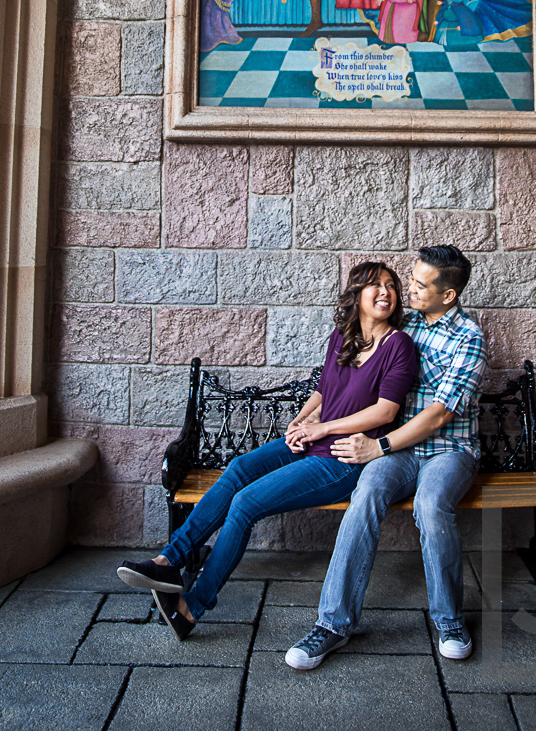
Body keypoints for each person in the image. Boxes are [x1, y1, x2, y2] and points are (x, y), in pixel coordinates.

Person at [116, 262, 418, 642]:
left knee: (245, 504)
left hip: (344, 457)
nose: (385, 292)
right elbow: (326, 391)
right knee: (240, 467)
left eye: (391, 286)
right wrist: (300, 421)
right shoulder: (341, 337)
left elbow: (385, 411)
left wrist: (320, 428)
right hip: (314, 439)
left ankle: (191, 608)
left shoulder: (399, 345)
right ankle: (168, 561)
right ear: (356, 293)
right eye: (375, 285)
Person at [286, 244, 488, 671]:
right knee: (365, 496)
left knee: (432, 507)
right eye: (410, 279)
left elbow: (439, 414)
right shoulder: (404, 325)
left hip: (448, 451)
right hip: (398, 449)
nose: (407, 287)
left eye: (418, 283)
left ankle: (450, 622)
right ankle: (334, 623)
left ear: (447, 295)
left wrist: (377, 446)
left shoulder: (469, 339)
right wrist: (314, 418)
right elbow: (350, 370)